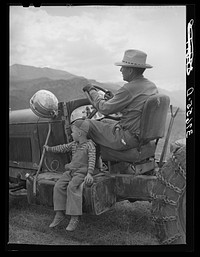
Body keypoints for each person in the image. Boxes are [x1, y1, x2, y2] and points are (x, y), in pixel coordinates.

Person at [83, 49, 158, 151]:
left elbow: (104, 108)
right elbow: (136, 109)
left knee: (81, 124)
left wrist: (92, 91)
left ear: (130, 70)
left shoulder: (129, 88)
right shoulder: (150, 86)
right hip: (142, 136)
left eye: (122, 67)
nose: (120, 70)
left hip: (128, 137)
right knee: (104, 120)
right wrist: (114, 100)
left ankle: (80, 164)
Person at [43, 119, 96, 231]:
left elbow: (92, 159)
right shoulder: (73, 144)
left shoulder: (90, 145)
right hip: (71, 171)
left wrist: (90, 174)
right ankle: (59, 213)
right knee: (58, 186)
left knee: (72, 187)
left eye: (73, 132)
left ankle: (74, 217)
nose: (71, 134)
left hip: (81, 173)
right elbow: (62, 148)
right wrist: (49, 149)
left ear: (80, 133)